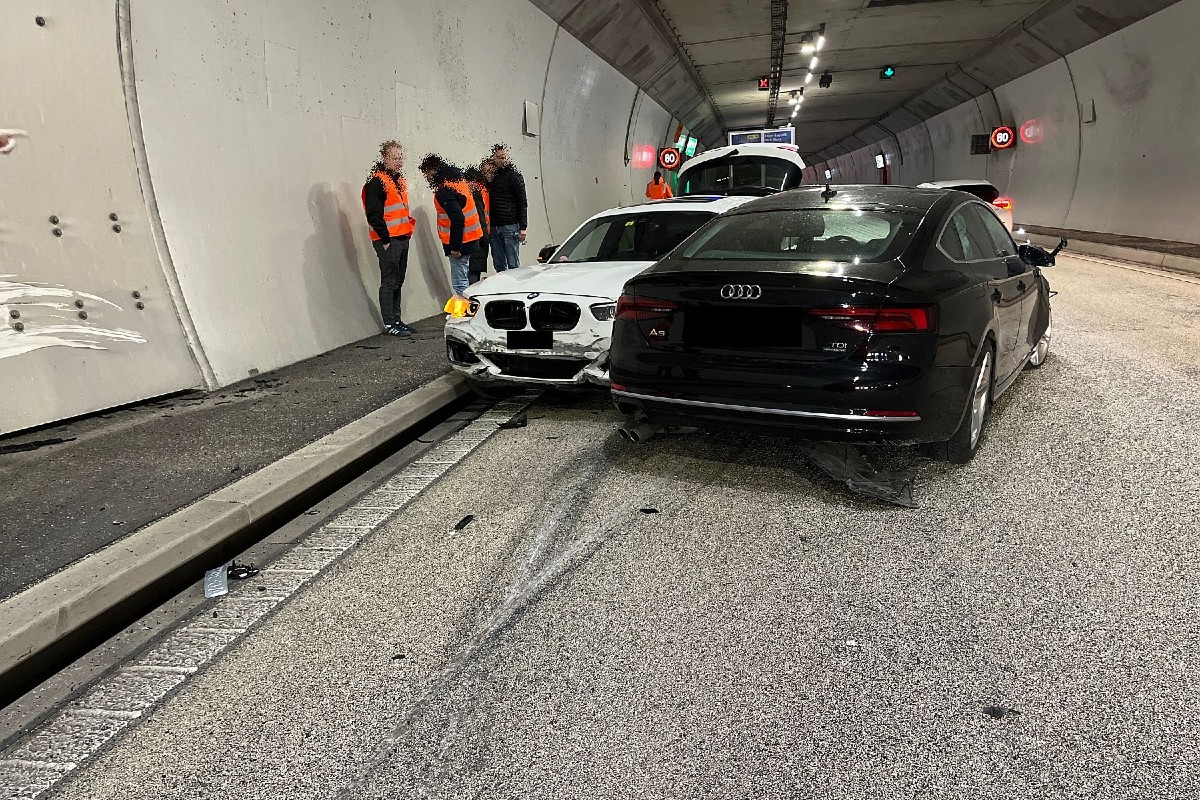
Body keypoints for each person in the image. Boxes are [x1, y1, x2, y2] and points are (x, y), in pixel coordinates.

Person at [362, 141, 415, 336]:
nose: (399, 160)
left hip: (401, 237)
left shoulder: (397, 181)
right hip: (389, 240)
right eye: (395, 157)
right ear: (385, 158)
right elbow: (373, 213)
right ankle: (390, 324)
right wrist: (385, 239)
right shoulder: (377, 182)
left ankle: (397, 320)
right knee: (389, 281)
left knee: (398, 281)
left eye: (401, 156)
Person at [419, 154, 482, 298]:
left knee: (460, 282)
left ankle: (465, 315)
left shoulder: (444, 191)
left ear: (433, 171)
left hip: (460, 243)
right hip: (471, 238)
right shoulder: (458, 182)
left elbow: (458, 219)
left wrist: (455, 247)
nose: (427, 177)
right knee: (468, 279)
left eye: (427, 173)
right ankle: (471, 310)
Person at [485, 143, 527, 272]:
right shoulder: (491, 177)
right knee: (499, 264)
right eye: (499, 157)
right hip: (494, 226)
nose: (502, 160)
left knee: (513, 264)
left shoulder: (514, 176)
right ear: (493, 158)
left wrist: (523, 227)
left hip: (510, 225)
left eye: (504, 157)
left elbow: (522, 202)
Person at [464, 166, 492, 285]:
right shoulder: (480, 191)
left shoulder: (474, 191)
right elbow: (482, 216)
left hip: (474, 236)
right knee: (473, 272)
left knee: (470, 272)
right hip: (480, 235)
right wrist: (485, 238)